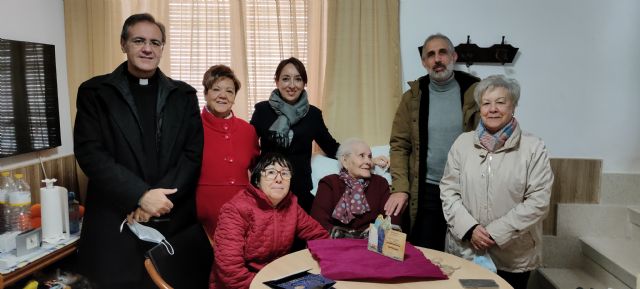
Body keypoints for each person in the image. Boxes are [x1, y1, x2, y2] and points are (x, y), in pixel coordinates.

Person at [73, 13, 204, 288]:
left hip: (171, 219)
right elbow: (90, 153)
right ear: (124, 44)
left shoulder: (184, 96)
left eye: (155, 43)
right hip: (115, 223)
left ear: (162, 48)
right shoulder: (95, 92)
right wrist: (139, 196)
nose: (148, 48)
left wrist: (153, 204)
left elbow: (191, 156)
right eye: (139, 40)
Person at [440, 75, 553, 289]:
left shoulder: (533, 147)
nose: (493, 109)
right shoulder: (462, 144)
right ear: (479, 108)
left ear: (513, 107)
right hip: (466, 250)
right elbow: (448, 191)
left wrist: (494, 233)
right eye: (486, 103)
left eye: (500, 102)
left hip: (513, 256)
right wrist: (470, 229)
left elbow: (538, 201)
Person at [385, 33, 480, 251]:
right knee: (426, 255)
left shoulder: (475, 92)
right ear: (424, 62)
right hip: (427, 192)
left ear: (453, 56)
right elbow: (399, 145)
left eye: (442, 52)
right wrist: (400, 188)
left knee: (465, 256)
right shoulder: (413, 97)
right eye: (430, 54)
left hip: (465, 191)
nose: (437, 59)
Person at [214, 153, 329, 289]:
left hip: (277, 276)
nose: (279, 179)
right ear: (257, 180)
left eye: (285, 173)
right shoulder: (235, 210)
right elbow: (230, 271)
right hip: (243, 284)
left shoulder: (292, 204)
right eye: (271, 172)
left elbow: (320, 236)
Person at [250, 57, 340, 213]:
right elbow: (248, 146)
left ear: (304, 83)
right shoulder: (262, 111)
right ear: (277, 81)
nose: (291, 85)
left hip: (299, 190)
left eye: (298, 79)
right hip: (266, 187)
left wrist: (362, 156)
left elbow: (331, 147)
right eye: (286, 79)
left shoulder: (313, 114)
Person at [196, 65, 259, 237]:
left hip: (241, 218)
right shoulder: (191, 127)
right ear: (206, 93)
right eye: (216, 89)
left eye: (229, 91)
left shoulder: (248, 131)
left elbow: (257, 172)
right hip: (199, 220)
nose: (223, 95)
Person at [310, 138, 400, 237]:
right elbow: (318, 221)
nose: (368, 161)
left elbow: (391, 218)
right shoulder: (330, 183)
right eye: (362, 156)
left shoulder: (380, 183)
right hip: (337, 244)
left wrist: (377, 233)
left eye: (369, 157)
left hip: (372, 243)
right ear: (345, 161)